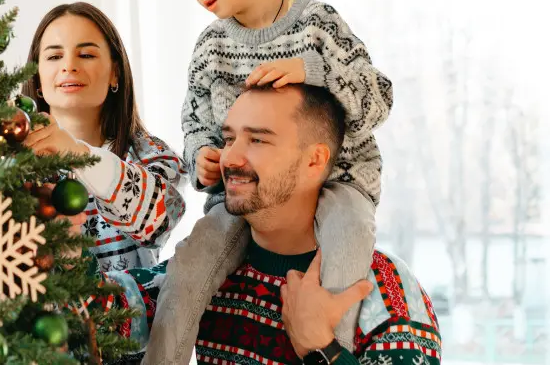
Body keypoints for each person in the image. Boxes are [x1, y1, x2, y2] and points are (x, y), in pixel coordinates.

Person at [163, 0, 393, 348]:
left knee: (346, 252)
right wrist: (201, 155)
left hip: (342, 181)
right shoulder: (211, 47)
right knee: (186, 271)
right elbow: (195, 123)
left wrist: (314, 72)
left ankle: (323, 349)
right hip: (244, 193)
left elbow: (379, 96)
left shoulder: (318, 24)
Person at [93, 85, 439, 365]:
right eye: (229, 139)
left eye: (257, 139)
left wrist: (323, 348)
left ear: (314, 160)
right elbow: (91, 315)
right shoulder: (204, 272)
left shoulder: (385, 290)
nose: (230, 157)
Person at [21, 2, 186, 271]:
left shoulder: (150, 153)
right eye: (54, 57)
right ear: (37, 79)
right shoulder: (14, 161)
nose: (69, 66)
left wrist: (76, 153)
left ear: (114, 73)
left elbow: (161, 219)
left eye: (86, 54)